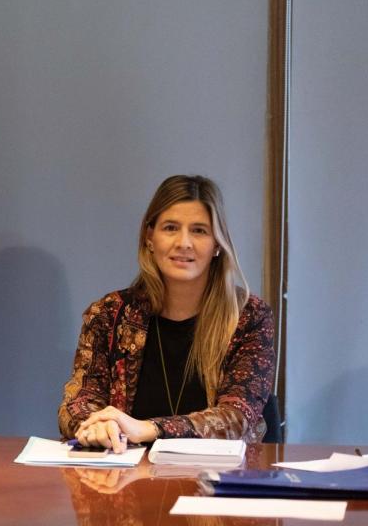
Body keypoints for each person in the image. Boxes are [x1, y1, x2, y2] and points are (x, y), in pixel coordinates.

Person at [58, 175, 274, 452]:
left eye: (199, 231)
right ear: (150, 237)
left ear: (218, 245)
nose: (184, 242)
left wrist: (147, 429)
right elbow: (78, 402)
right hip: (125, 472)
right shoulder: (109, 315)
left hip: (217, 475)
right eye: (170, 228)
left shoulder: (248, 316)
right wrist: (96, 425)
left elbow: (237, 416)